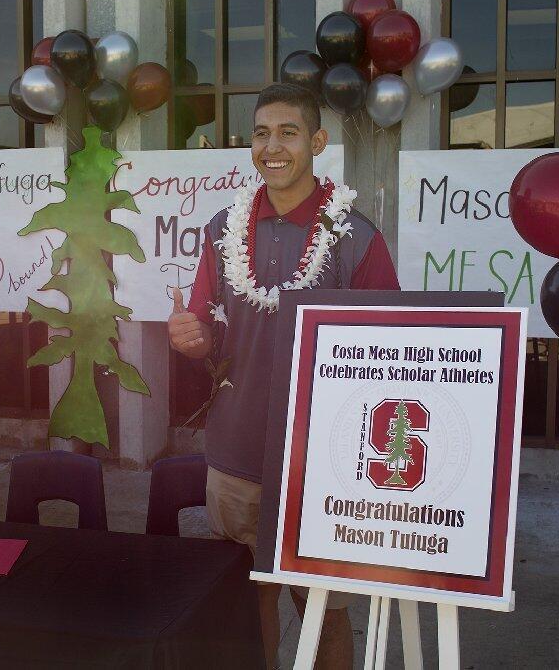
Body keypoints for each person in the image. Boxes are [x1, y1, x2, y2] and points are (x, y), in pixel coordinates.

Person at [168, 82, 400, 670]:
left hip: (324, 461)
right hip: (237, 447)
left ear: (318, 141)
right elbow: (206, 326)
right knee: (251, 598)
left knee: (323, 605)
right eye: (262, 133)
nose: (273, 146)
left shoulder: (357, 236)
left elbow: (391, 350)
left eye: (288, 132)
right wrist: (189, 336)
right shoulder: (225, 228)